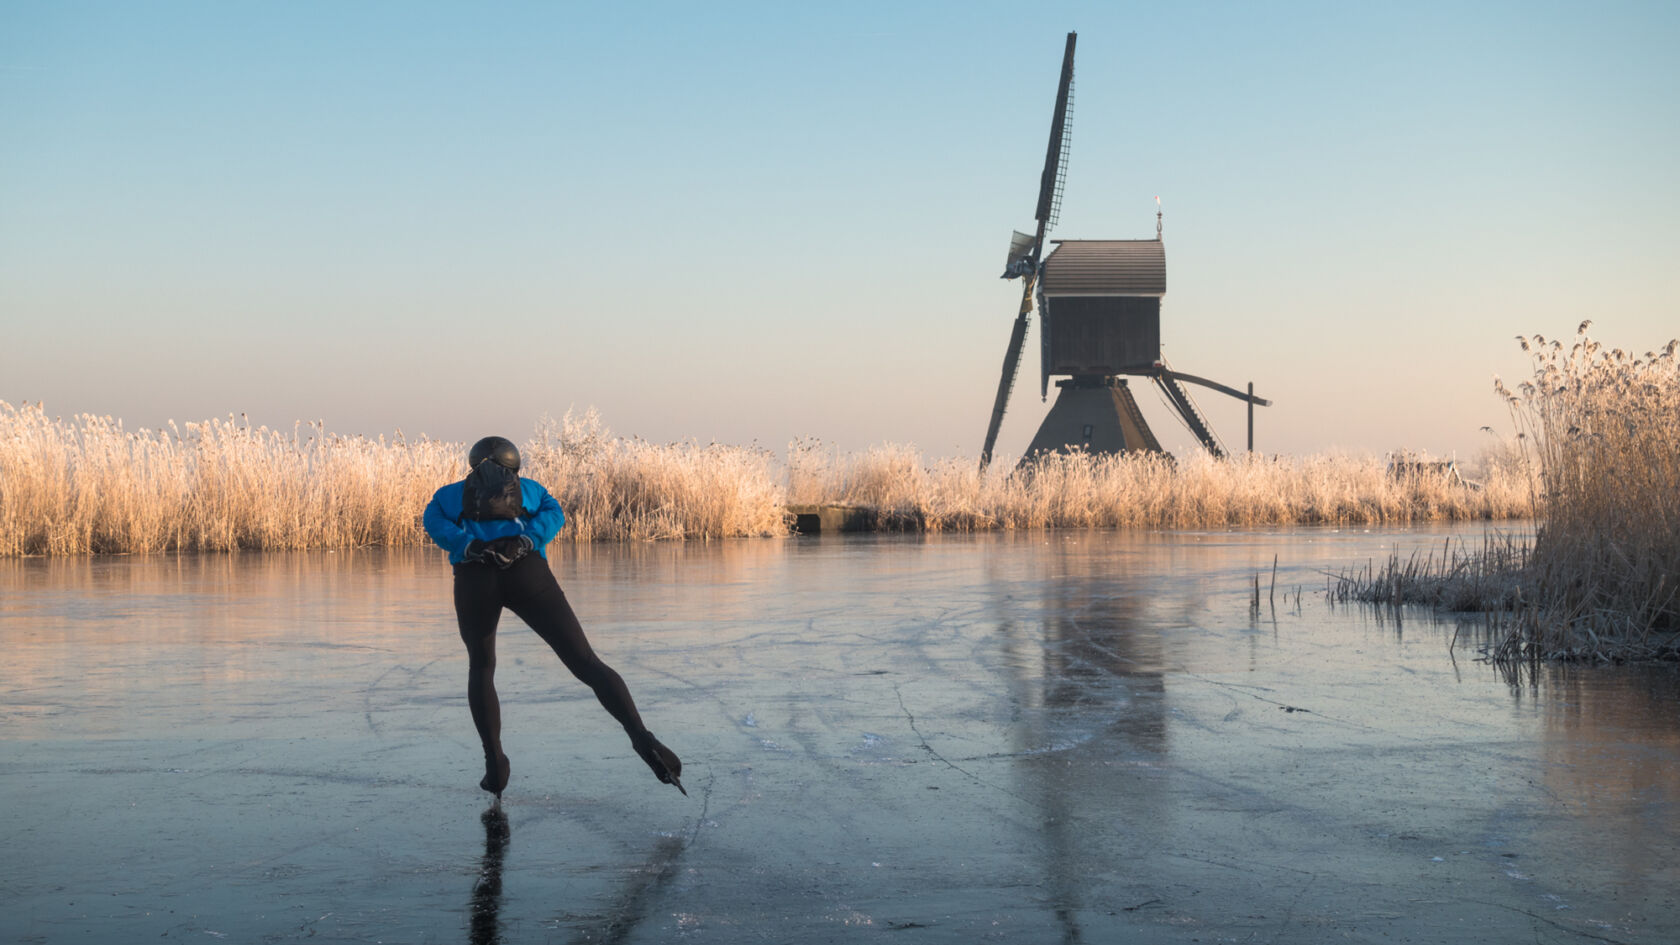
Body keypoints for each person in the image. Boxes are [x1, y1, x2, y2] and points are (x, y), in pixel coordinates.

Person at [423, 435, 684, 799]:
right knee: (586, 662)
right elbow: (555, 515)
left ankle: (494, 763)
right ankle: (645, 740)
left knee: (481, 668)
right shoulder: (530, 489)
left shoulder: (447, 495)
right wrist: (525, 541)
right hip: (527, 574)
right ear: (514, 465)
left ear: (474, 463)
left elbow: (433, 523)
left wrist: (470, 545)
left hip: (474, 578)